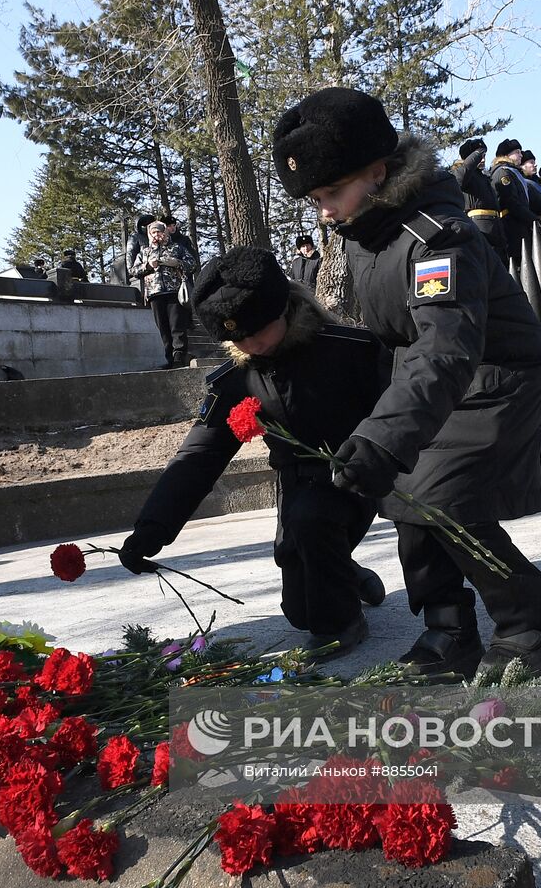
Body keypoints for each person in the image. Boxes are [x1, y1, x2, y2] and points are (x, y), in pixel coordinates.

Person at [273, 87, 541, 682]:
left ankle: (532, 628)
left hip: (493, 373)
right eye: (314, 200)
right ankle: (448, 629)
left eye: (332, 193)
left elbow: (443, 343)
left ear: (378, 172)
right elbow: (398, 337)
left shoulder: (438, 237)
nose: (325, 213)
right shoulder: (371, 231)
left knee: (442, 497)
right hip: (438, 378)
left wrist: (386, 435)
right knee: (404, 495)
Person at [118, 248, 389, 656]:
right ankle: (344, 571)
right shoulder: (236, 378)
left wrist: (379, 457)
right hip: (296, 488)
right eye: (236, 338)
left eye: (257, 330)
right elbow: (200, 456)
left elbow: (399, 412)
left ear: (282, 307)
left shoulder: (352, 349)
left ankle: (344, 624)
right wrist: (151, 529)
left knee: (316, 544)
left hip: (355, 477)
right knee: (299, 611)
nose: (251, 344)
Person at [135, 219, 197, 369]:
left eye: (160, 231)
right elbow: (134, 271)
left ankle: (179, 356)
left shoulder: (177, 248)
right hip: (155, 293)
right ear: (150, 234)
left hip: (174, 292)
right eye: (154, 232)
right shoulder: (145, 252)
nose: (157, 235)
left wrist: (177, 263)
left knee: (177, 326)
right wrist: (148, 265)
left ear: (165, 232)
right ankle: (170, 358)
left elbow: (192, 264)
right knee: (163, 328)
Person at [451, 137, 506, 258]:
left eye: (484, 155)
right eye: (480, 156)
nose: (483, 159)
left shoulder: (482, 176)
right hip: (480, 225)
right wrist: (477, 153)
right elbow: (460, 178)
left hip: (495, 226)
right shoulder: (464, 173)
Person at [490, 138, 537, 275]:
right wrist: (532, 219)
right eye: (517, 152)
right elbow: (511, 202)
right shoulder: (503, 173)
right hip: (512, 226)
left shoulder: (513, 172)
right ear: (506, 155)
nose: (521, 156)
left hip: (520, 223)